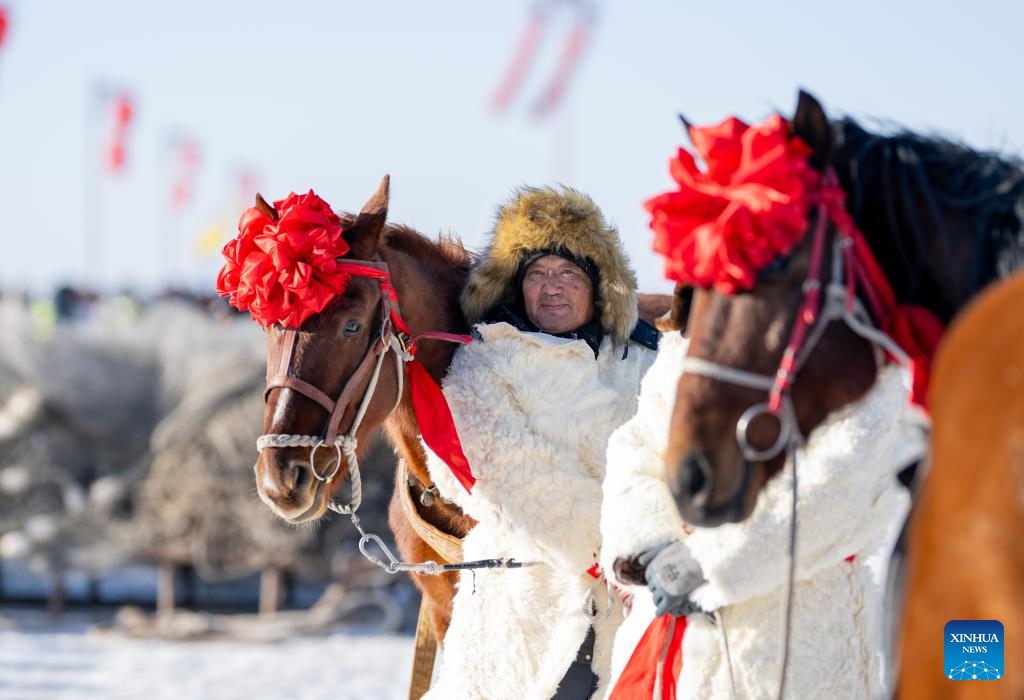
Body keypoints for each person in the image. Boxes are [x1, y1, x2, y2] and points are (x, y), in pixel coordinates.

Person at [420, 185, 659, 700]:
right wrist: (615, 554)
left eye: (568, 274)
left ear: (599, 288)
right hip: (525, 617)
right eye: (537, 274)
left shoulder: (645, 365)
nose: (552, 287)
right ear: (516, 287)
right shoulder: (482, 362)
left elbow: (669, 462)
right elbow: (503, 473)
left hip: (637, 619)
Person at [599, 328, 928, 699]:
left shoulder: (861, 368)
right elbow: (636, 449)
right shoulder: (685, 352)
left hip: (789, 646)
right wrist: (651, 547)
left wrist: (706, 563)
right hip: (667, 635)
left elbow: (838, 484)